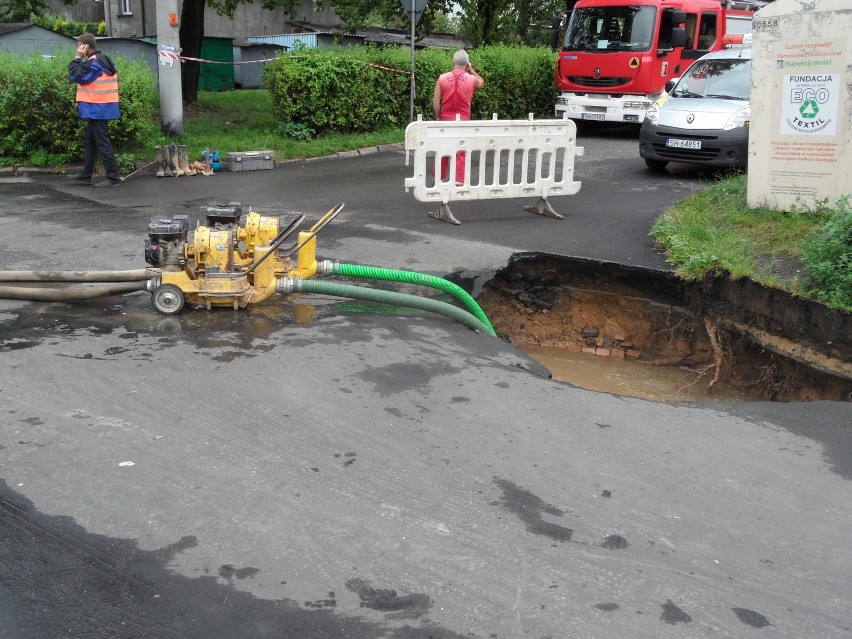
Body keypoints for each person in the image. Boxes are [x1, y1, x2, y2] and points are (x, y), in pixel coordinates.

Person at [67, 33, 122, 188]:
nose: (77, 48)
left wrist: (78, 57)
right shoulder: (102, 59)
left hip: (97, 107)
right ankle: (86, 175)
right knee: (90, 142)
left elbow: (75, 74)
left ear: (85, 46)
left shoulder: (94, 62)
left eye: (79, 45)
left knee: (103, 143)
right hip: (99, 107)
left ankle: (113, 177)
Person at [432, 50, 484, 186]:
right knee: (461, 150)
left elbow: (436, 102)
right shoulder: (471, 79)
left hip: (445, 119)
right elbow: (482, 82)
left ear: (453, 61)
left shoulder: (442, 78)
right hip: (463, 120)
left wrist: (439, 117)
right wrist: (471, 70)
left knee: (442, 149)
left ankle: (439, 179)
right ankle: (459, 181)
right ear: (467, 63)